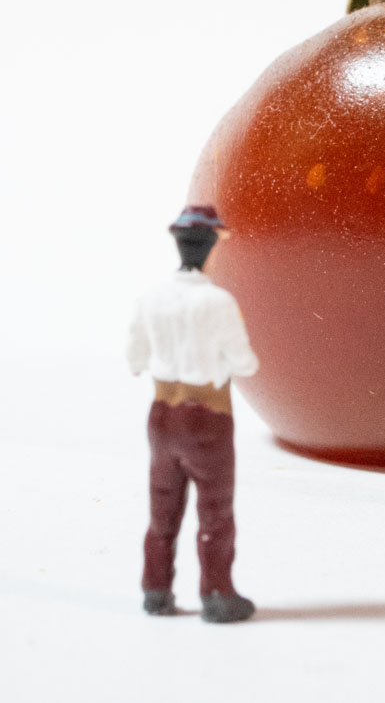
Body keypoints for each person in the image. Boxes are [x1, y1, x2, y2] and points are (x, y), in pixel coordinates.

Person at [127, 205, 259, 622]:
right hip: (207, 417)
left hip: (162, 415)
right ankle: (217, 593)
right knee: (214, 511)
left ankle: (155, 589)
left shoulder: (150, 299)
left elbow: (135, 360)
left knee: (162, 507)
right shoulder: (217, 302)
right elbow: (245, 364)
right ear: (212, 247)